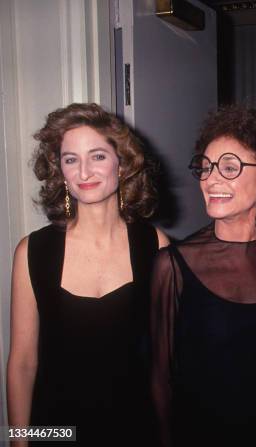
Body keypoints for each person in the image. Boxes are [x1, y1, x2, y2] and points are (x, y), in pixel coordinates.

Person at [150, 105, 256, 446]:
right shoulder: (172, 265)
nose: (211, 179)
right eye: (206, 167)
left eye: (229, 167)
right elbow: (159, 380)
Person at [7, 103, 169, 446]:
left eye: (97, 156)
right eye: (70, 159)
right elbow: (22, 363)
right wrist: (20, 442)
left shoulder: (154, 244)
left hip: (136, 429)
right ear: (59, 170)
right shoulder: (31, 252)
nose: (84, 171)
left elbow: (166, 360)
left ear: (122, 162)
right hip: (56, 432)